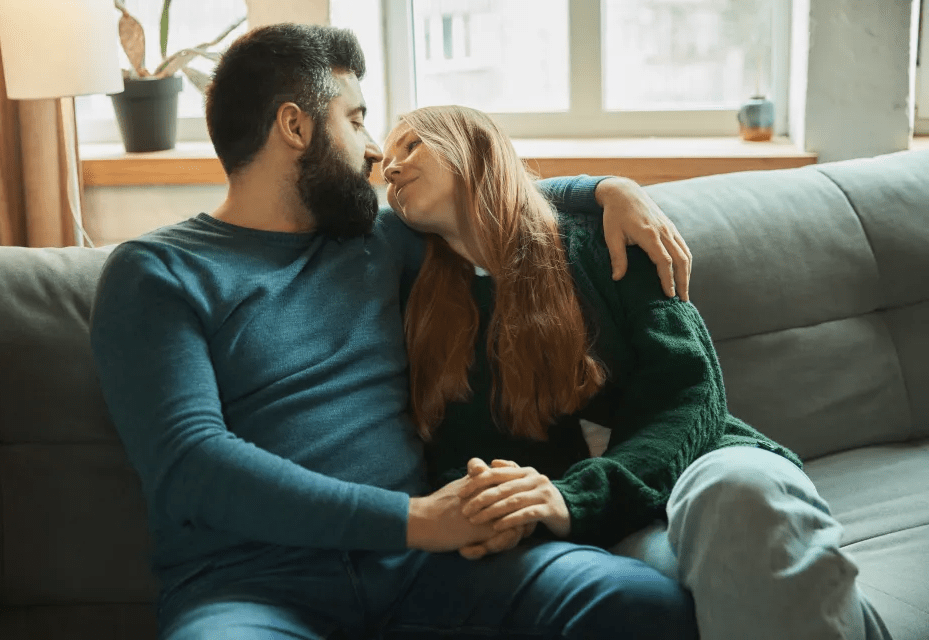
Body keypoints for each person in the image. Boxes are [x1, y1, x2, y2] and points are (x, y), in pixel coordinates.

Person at [90, 23, 701, 640]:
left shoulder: (383, 240)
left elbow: (487, 201)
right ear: (295, 127)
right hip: (252, 586)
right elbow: (192, 465)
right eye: (355, 120)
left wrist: (605, 190)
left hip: (427, 573)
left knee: (640, 602)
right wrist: (415, 519)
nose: (377, 151)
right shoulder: (157, 272)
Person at [381, 104, 895, 640]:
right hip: (612, 534)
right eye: (386, 161)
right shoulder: (424, 305)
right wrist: (499, 512)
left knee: (741, 497)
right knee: (683, 596)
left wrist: (578, 496)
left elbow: (688, 392)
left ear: (475, 149)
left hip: (704, 468)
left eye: (412, 146)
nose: (391, 168)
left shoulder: (606, 242)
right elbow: (461, 457)